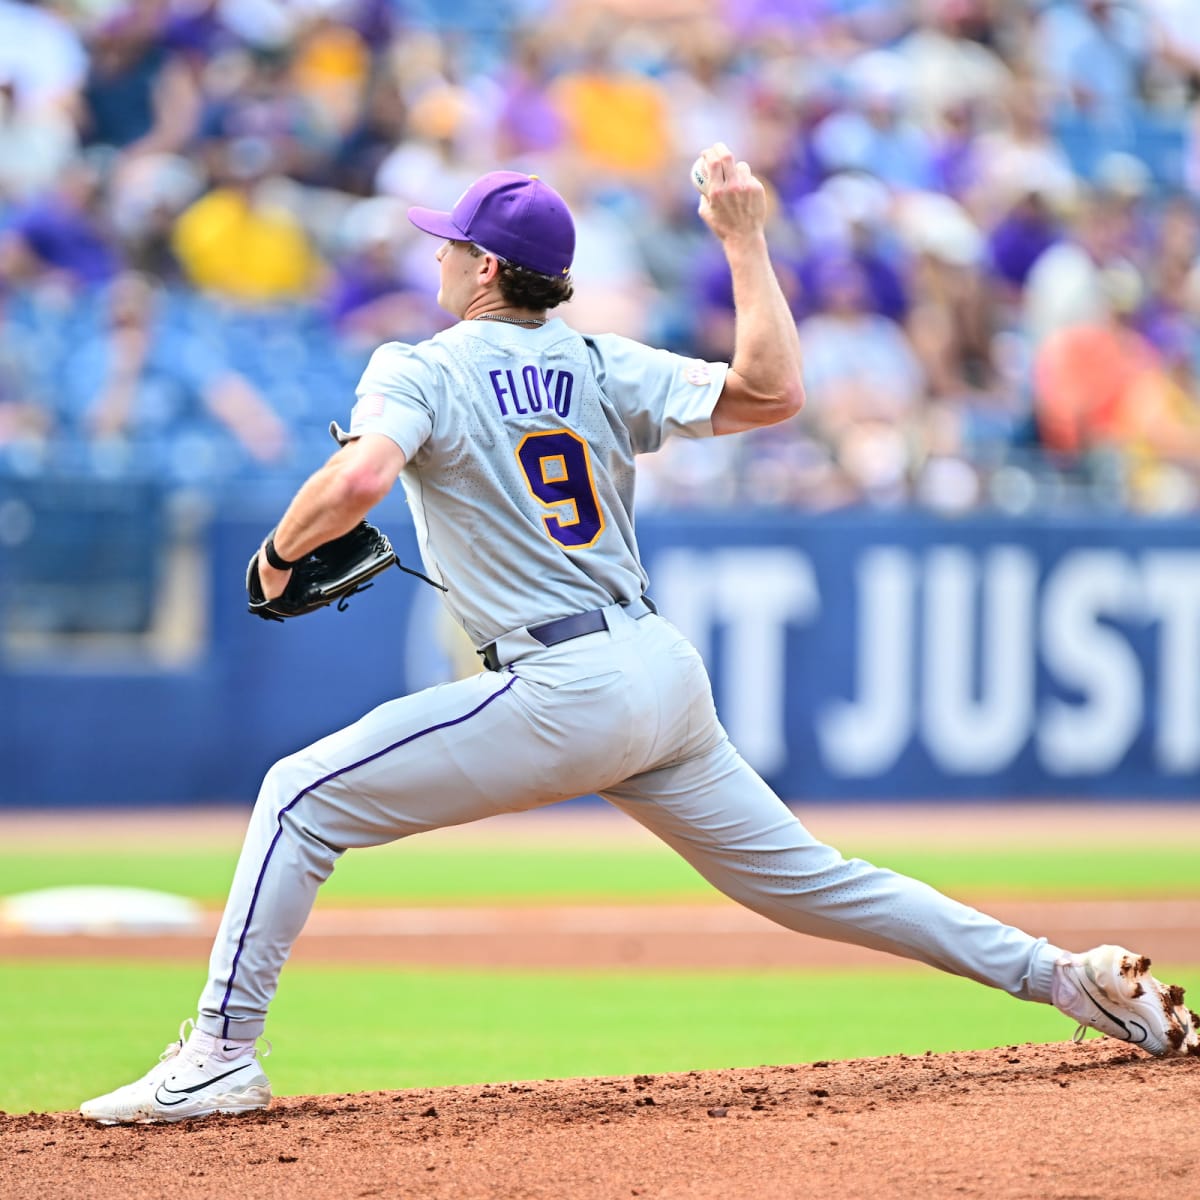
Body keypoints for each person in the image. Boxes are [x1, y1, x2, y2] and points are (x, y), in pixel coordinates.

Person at [80, 144, 1198, 1124]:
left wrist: (277, 555)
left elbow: (364, 471)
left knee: (295, 797)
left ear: (481, 270)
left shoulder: (418, 364)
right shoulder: (601, 361)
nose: (435, 261)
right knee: (816, 880)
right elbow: (772, 393)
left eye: (446, 248)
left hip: (563, 683)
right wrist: (746, 245)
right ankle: (1063, 977)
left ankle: (218, 1056)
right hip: (660, 674)